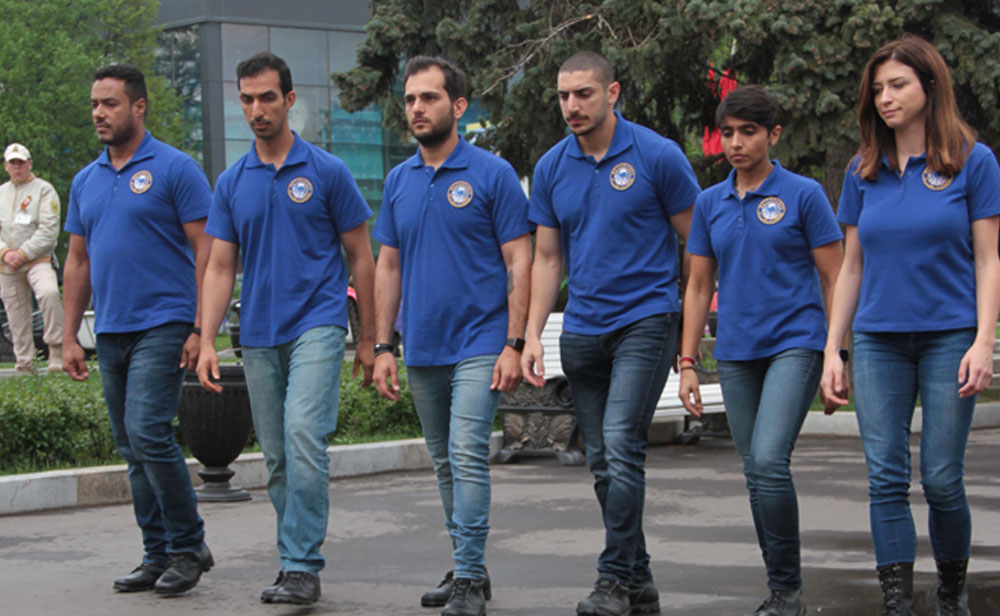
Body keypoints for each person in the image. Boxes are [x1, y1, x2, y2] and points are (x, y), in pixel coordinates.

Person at [821, 35, 1000, 616]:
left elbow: (988, 260)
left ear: (930, 85)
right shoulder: (863, 169)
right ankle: (897, 604)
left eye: (897, 85)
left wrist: (984, 340)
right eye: (877, 89)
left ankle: (950, 594)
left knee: (942, 477)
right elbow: (851, 267)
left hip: (951, 336)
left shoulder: (974, 161)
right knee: (886, 478)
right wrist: (833, 349)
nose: (885, 98)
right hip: (878, 341)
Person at [521, 50, 701, 616]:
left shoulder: (657, 155)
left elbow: (698, 243)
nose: (572, 106)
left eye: (584, 94)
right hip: (582, 329)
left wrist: (685, 323)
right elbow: (547, 258)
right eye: (564, 95)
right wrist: (531, 334)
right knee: (600, 459)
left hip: (646, 320)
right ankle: (639, 578)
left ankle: (613, 579)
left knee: (622, 446)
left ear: (613, 92)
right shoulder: (551, 167)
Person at [196, 51, 376, 606]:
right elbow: (220, 266)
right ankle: (293, 558)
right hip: (257, 333)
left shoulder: (327, 171)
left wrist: (370, 339)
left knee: (302, 435)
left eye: (267, 98)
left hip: (317, 323)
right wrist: (206, 339)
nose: (257, 109)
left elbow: (361, 257)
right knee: (276, 457)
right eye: (247, 100)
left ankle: (301, 565)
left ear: (289, 100)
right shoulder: (232, 181)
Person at [372, 56, 532, 616]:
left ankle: (466, 578)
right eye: (410, 99)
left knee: (466, 454)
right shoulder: (399, 180)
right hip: (423, 344)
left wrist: (514, 342)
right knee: (443, 461)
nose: (417, 108)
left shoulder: (492, 174)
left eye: (429, 98)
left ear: (458, 106)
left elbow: (519, 261)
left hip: (481, 341)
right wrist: (383, 346)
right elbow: (388, 266)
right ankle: (470, 565)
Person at [677, 85, 843, 616]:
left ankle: (788, 592)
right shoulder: (710, 202)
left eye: (748, 132)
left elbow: (836, 277)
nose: (736, 143)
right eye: (727, 133)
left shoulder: (804, 194)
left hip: (796, 342)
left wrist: (838, 354)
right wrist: (687, 362)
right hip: (736, 353)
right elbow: (698, 286)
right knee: (755, 472)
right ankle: (781, 589)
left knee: (770, 461)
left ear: (773, 134)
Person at [63, 64, 214, 595]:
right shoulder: (86, 180)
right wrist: (68, 337)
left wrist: (201, 327)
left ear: (139, 106)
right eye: (94, 104)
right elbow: (77, 261)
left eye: (110, 103)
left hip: (165, 321)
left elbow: (208, 251)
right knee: (131, 445)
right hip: (110, 328)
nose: (99, 113)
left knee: (148, 431)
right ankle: (157, 553)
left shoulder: (176, 168)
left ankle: (188, 545)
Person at [0, 142, 64, 374]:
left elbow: (49, 229)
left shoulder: (44, 190)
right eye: (12, 163)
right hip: (6, 263)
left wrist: (23, 253)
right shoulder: (1, 193)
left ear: (30, 164)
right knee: (15, 310)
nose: (17, 167)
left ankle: (56, 352)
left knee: (49, 293)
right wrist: (5, 252)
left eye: (21, 162)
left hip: (38, 259)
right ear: (6, 166)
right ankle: (25, 362)